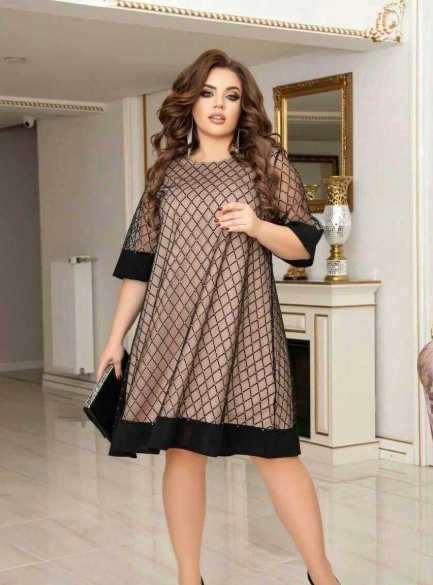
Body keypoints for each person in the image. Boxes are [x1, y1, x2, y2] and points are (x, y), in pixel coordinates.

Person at [97, 49, 340, 585]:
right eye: (208, 93)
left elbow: (303, 247)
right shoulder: (167, 175)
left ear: (242, 106)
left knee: (274, 452)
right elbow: (139, 264)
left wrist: (256, 225)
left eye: (231, 96)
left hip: (245, 328)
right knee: (183, 453)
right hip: (172, 326)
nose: (218, 105)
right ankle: (190, 578)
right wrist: (115, 339)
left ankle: (323, 576)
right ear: (190, 102)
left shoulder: (266, 164)